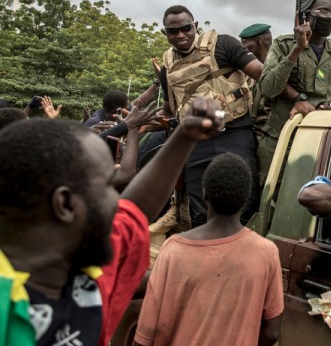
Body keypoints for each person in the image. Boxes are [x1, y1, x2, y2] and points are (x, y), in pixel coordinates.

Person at [0, 97, 225, 346]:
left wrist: (186, 135)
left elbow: (136, 208)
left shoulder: (77, 273)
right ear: (64, 204)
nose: (118, 201)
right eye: (107, 187)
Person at [135, 153, 283, 346]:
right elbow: (272, 333)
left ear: (204, 194)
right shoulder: (266, 252)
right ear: (247, 198)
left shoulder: (174, 250)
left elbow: (146, 334)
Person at [160, 5, 263, 227]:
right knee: (200, 208)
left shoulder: (224, 44)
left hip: (234, 132)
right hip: (197, 141)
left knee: (245, 200)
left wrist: (298, 98)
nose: (180, 35)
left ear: (195, 26)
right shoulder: (167, 62)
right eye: (172, 31)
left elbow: (262, 74)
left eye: (186, 28)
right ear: (165, 33)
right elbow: (170, 105)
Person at [258, 0, 331, 184]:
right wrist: (298, 48)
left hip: (318, 141)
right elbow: (268, 87)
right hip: (281, 139)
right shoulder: (283, 44)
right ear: (306, 16)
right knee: (270, 196)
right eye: (323, 11)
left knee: (311, 195)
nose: (329, 17)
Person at [239, 23, 273, 143]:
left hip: (268, 138)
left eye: (243, 43)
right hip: (249, 135)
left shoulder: (276, 71)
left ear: (258, 43)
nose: (241, 47)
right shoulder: (245, 71)